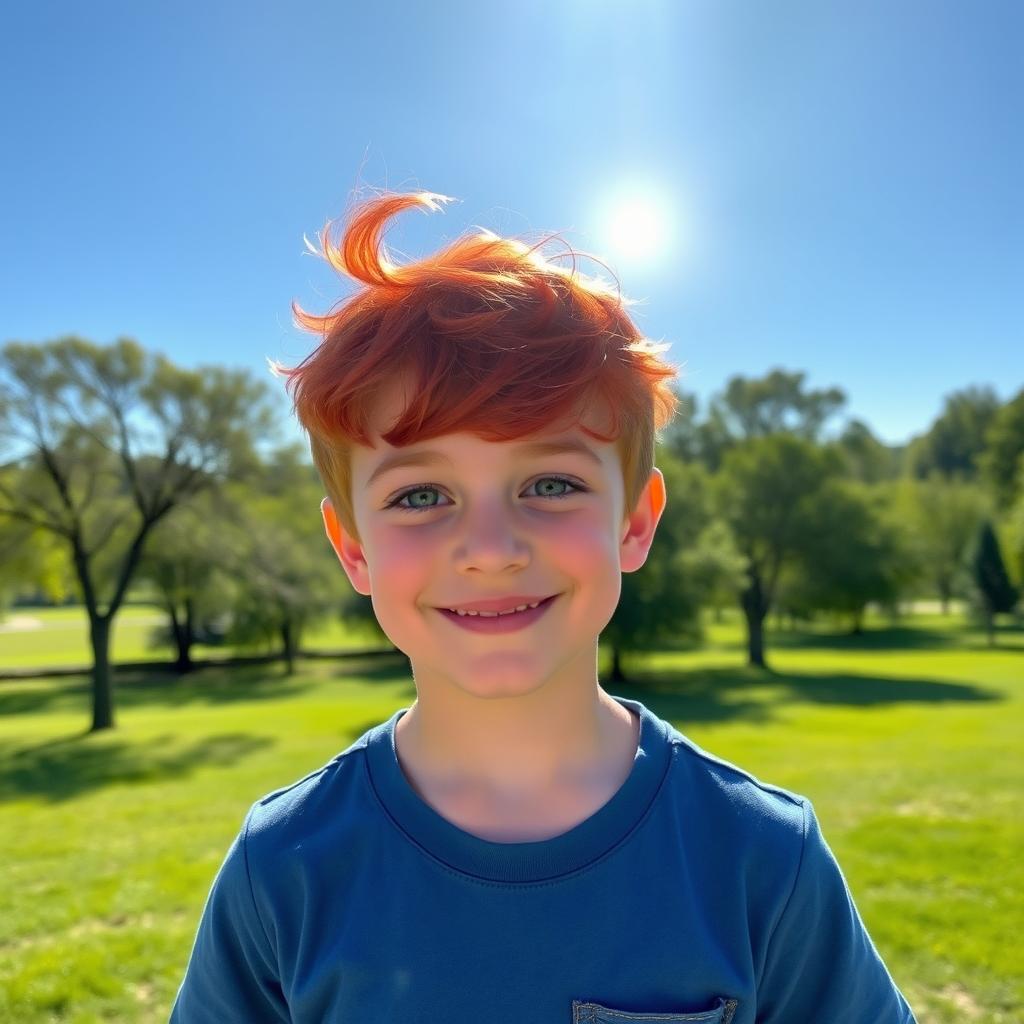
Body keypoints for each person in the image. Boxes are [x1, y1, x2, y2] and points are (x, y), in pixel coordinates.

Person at [169, 189, 917, 1023]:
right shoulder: (283, 871)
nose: (490, 546)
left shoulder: (761, 859)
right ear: (352, 548)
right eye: (420, 496)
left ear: (634, 523)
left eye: (551, 483)